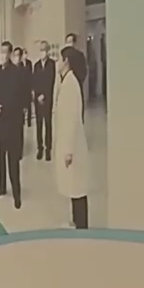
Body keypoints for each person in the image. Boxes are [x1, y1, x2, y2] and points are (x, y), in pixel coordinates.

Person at [54, 47, 91, 229]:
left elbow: (72, 119)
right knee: (73, 185)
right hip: (70, 143)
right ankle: (76, 221)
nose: (57, 62)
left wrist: (68, 151)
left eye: (59, 59)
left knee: (77, 188)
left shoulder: (71, 84)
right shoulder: (67, 81)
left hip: (72, 146)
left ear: (66, 61)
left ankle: (81, 226)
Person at [0, 41, 28, 209]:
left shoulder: (16, 73)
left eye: (6, 52)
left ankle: (16, 192)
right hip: (0, 123)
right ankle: (1, 186)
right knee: (1, 157)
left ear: (11, 54)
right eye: (1, 52)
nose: (3, 55)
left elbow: (16, 96)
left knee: (13, 160)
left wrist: (2, 106)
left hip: (12, 122)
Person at [31, 40, 57, 161]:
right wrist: (37, 95)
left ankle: (48, 149)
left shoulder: (52, 64)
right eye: (41, 50)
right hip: (38, 100)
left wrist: (44, 95)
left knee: (47, 124)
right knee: (39, 125)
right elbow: (35, 81)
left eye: (44, 50)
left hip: (47, 99)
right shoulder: (36, 65)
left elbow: (50, 81)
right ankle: (40, 148)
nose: (43, 52)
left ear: (48, 51)